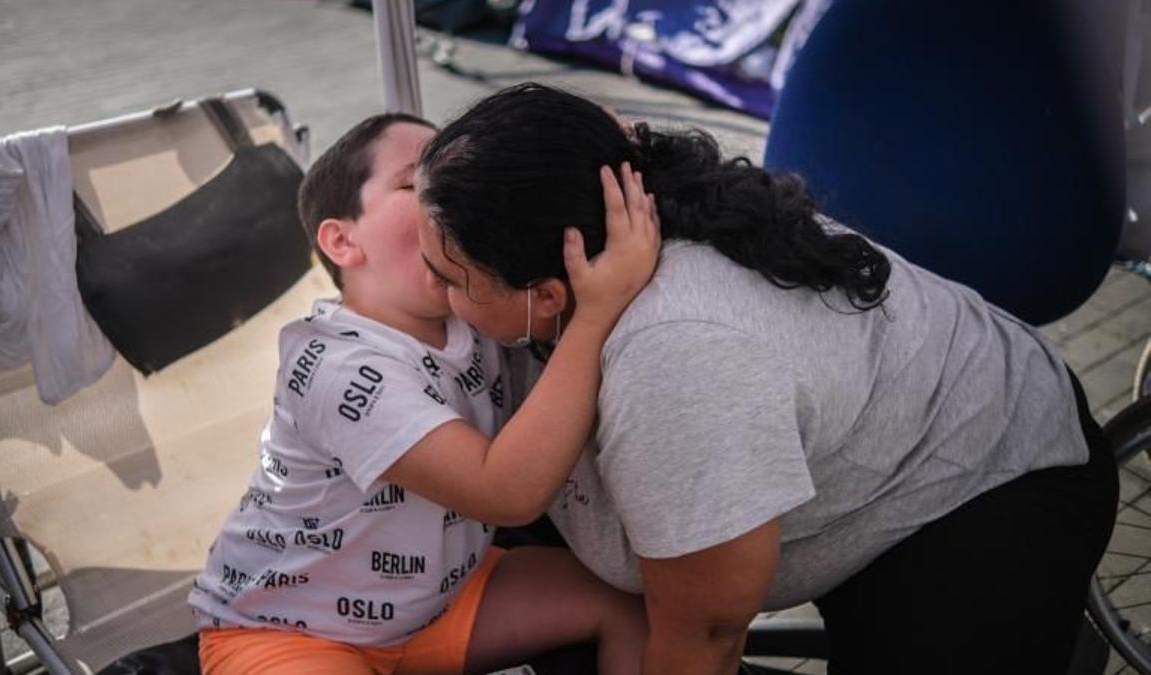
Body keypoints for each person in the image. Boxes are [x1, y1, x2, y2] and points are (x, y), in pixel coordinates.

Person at [414, 83, 1120, 675]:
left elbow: (706, 638)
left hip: (985, 485)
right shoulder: (600, 193)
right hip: (869, 429)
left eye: (449, 278)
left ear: (547, 294)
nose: (428, 286)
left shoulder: (678, 359)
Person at [187, 112, 658, 675]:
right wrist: (599, 312)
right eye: (417, 183)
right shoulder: (336, 365)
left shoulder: (477, 315)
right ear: (342, 240)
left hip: (440, 603)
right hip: (288, 631)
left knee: (637, 604)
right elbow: (504, 492)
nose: (452, 198)